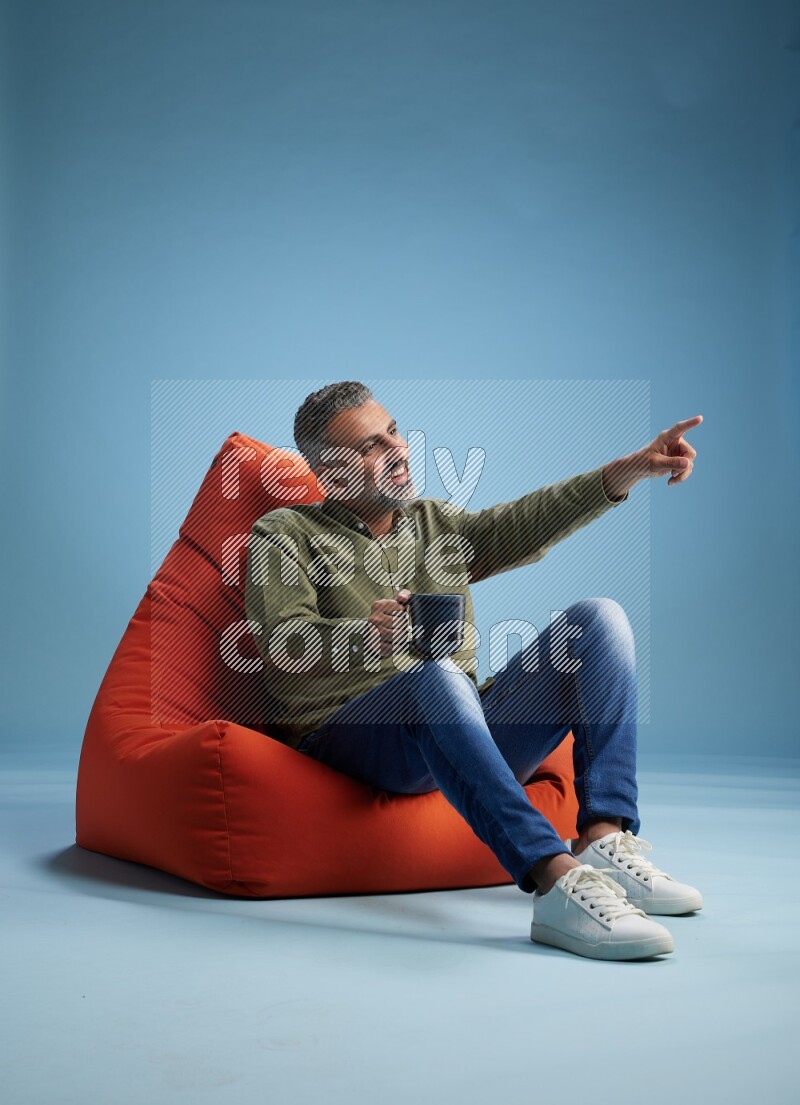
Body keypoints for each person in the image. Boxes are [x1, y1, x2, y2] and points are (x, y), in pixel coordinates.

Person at [244, 380, 704, 961]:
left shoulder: (434, 524)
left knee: (598, 621)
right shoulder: (285, 533)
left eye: (393, 432)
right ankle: (556, 882)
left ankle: (602, 837)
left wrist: (626, 472)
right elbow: (284, 647)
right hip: (358, 742)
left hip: (460, 728)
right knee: (437, 677)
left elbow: (524, 523)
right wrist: (369, 636)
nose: (397, 449)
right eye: (369, 446)